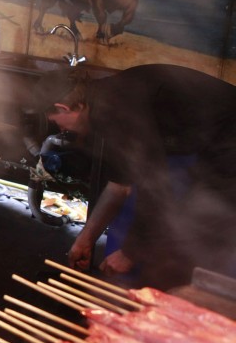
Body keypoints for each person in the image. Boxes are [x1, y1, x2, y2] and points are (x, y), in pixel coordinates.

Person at [35, 64, 236, 289]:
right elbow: (120, 185)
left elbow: (154, 184)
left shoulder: (117, 108)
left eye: (56, 122)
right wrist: (86, 238)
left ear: (63, 108)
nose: (61, 130)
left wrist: (130, 253)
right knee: (174, 234)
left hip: (229, 142)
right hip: (215, 143)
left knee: (190, 238)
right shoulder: (106, 99)